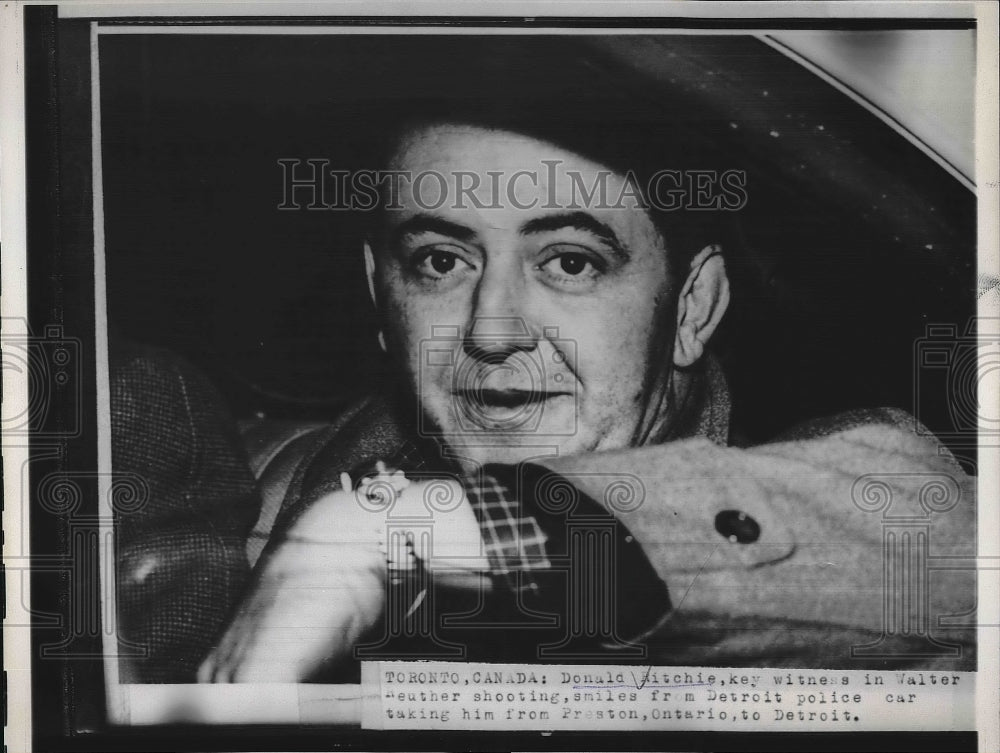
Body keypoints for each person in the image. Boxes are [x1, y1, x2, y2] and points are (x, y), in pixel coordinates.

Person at [193, 108, 976, 682]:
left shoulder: (853, 485)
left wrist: (383, 535)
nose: (492, 330)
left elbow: (941, 547)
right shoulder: (262, 493)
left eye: (570, 262)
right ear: (378, 294)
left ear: (693, 307)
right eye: (440, 262)